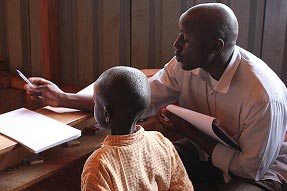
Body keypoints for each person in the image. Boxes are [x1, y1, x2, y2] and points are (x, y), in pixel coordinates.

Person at [24, 3, 286, 191]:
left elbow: (251, 169)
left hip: (261, 173)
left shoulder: (262, 96)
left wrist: (190, 133)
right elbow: (140, 100)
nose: (176, 45)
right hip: (203, 154)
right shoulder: (184, 64)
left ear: (215, 46)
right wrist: (61, 98)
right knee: (152, 163)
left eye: (185, 39)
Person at [85, 66, 195, 190]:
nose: (94, 106)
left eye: (95, 102)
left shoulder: (99, 164)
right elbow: (183, 187)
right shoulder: (161, 142)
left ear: (107, 114)